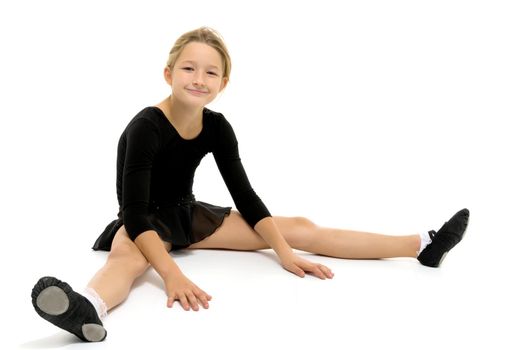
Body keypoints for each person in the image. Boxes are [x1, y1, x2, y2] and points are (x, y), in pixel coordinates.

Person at [31, 27, 470, 342]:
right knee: (128, 258)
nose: (198, 79)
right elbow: (133, 211)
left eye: (209, 73)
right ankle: (87, 307)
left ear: (223, 83)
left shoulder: (217, 127)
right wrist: (172, 275)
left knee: (298, 225)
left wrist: (283, 251)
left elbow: (246, 197)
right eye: (188, 68)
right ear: (168, 74)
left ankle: (420, 244)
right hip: (143, 220)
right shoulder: (147, 126)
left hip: (189, 215)